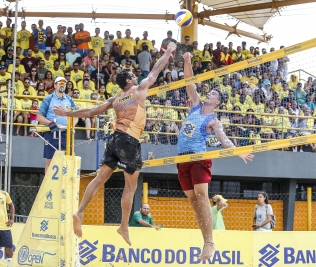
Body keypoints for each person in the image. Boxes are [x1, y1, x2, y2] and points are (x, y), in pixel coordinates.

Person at [53, 42, 177, 246]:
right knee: (130, 188)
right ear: (129, 80)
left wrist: (67, 113)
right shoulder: (138, 90)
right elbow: (156, 70)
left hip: (113, 139)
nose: (136, 77)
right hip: (129, 140)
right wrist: (169, 52)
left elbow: (90, 112)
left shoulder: (115, 98)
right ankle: (123, 226)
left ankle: (80, 212)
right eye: (133, 76)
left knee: (100, 178)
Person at [176, 52, 254, 261]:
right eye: (209, 92)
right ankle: (206, 240)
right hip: (181, 160)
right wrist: (186, 61)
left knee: (202, 196)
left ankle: (209, 242)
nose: (209, 94)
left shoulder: (214, 120)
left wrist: (239, 151)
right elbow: (189, 82)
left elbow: (224, 140)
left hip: (198, 158)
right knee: (193, 202)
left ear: (218, 102)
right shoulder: (195, 104)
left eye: (213, 94)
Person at [37, 77, 76, 173]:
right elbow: (39, 117)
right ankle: (48, 186)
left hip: (66, 133)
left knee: (68, 160)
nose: (62, 85)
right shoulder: (48, 99)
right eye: (60, 83)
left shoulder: (69, 99)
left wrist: (71, 125)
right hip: (52, 132)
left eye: (64, 83)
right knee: (50, 160)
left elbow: (76, 115)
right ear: (55, 85)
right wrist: (52, 123)